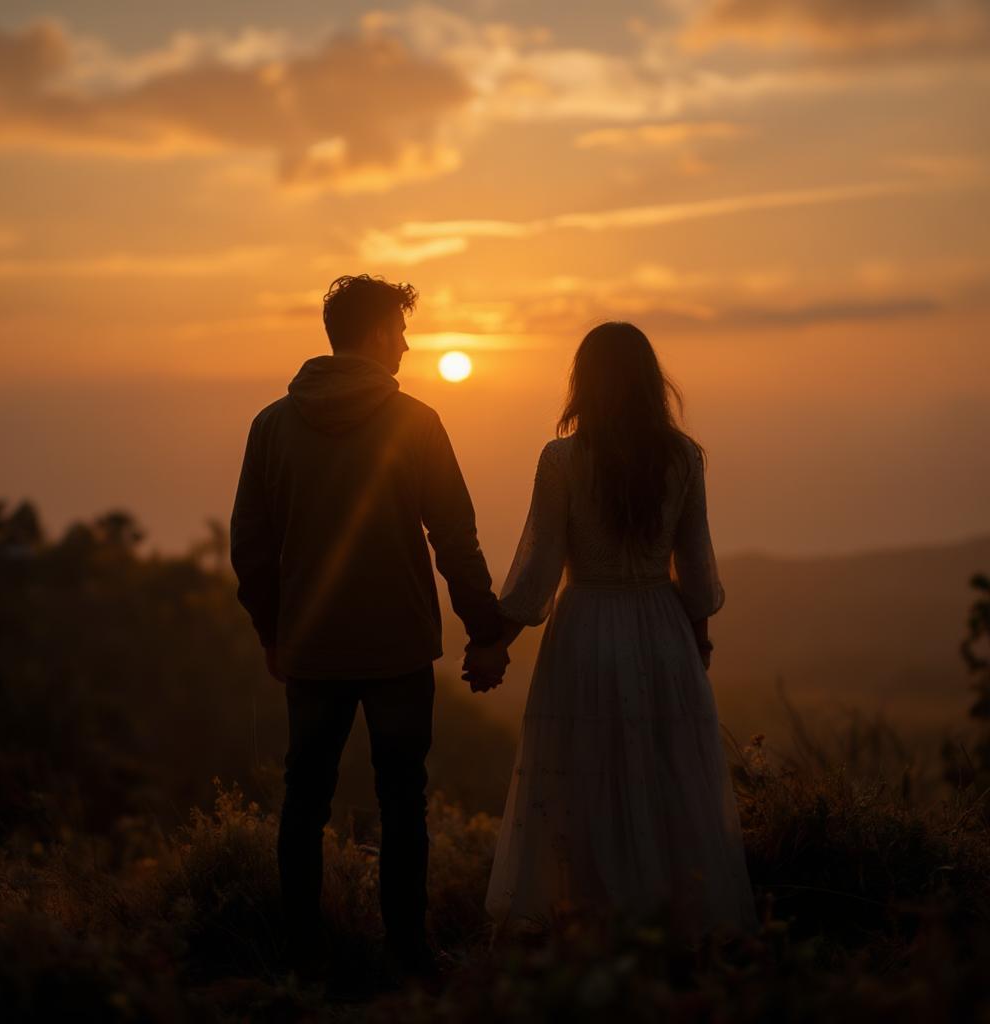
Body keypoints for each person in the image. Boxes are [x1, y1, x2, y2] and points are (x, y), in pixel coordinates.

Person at [230, 274, 508, 987]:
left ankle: (301, 955)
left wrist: (274, 632)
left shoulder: (271, 425)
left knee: (304, 798)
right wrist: (486, 631)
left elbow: (250, 548)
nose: (410, 344)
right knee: (402, 798)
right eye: (403, 330)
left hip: (313, 646)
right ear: (380, 333)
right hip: (398, 646)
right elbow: (456, 538)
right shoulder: (415, 421)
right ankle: (408, 954)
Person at [463, 321, 758, 941]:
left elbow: (538, 570)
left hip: (586, 631)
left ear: (583, 382)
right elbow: (696, 566)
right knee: (664, 775)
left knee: (585, 777)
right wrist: (697, 637)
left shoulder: (563, 460)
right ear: (652, 382)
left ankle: (593, 924)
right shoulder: (682, 458)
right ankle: (671, 925)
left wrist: (495, 645)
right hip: (662, 631)